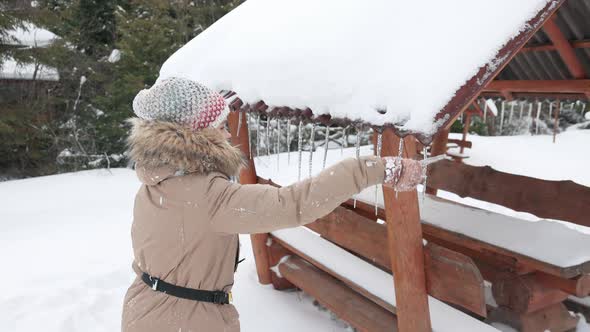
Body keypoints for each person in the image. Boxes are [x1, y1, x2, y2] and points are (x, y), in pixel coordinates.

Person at [121, 77, 426, 332]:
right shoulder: (206, 196)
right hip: (184, 322)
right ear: (195, 133)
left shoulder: (157, 180)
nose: (228, 133)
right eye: (221, 126)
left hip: (147, 310)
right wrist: (375, 169)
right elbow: (292, 204)